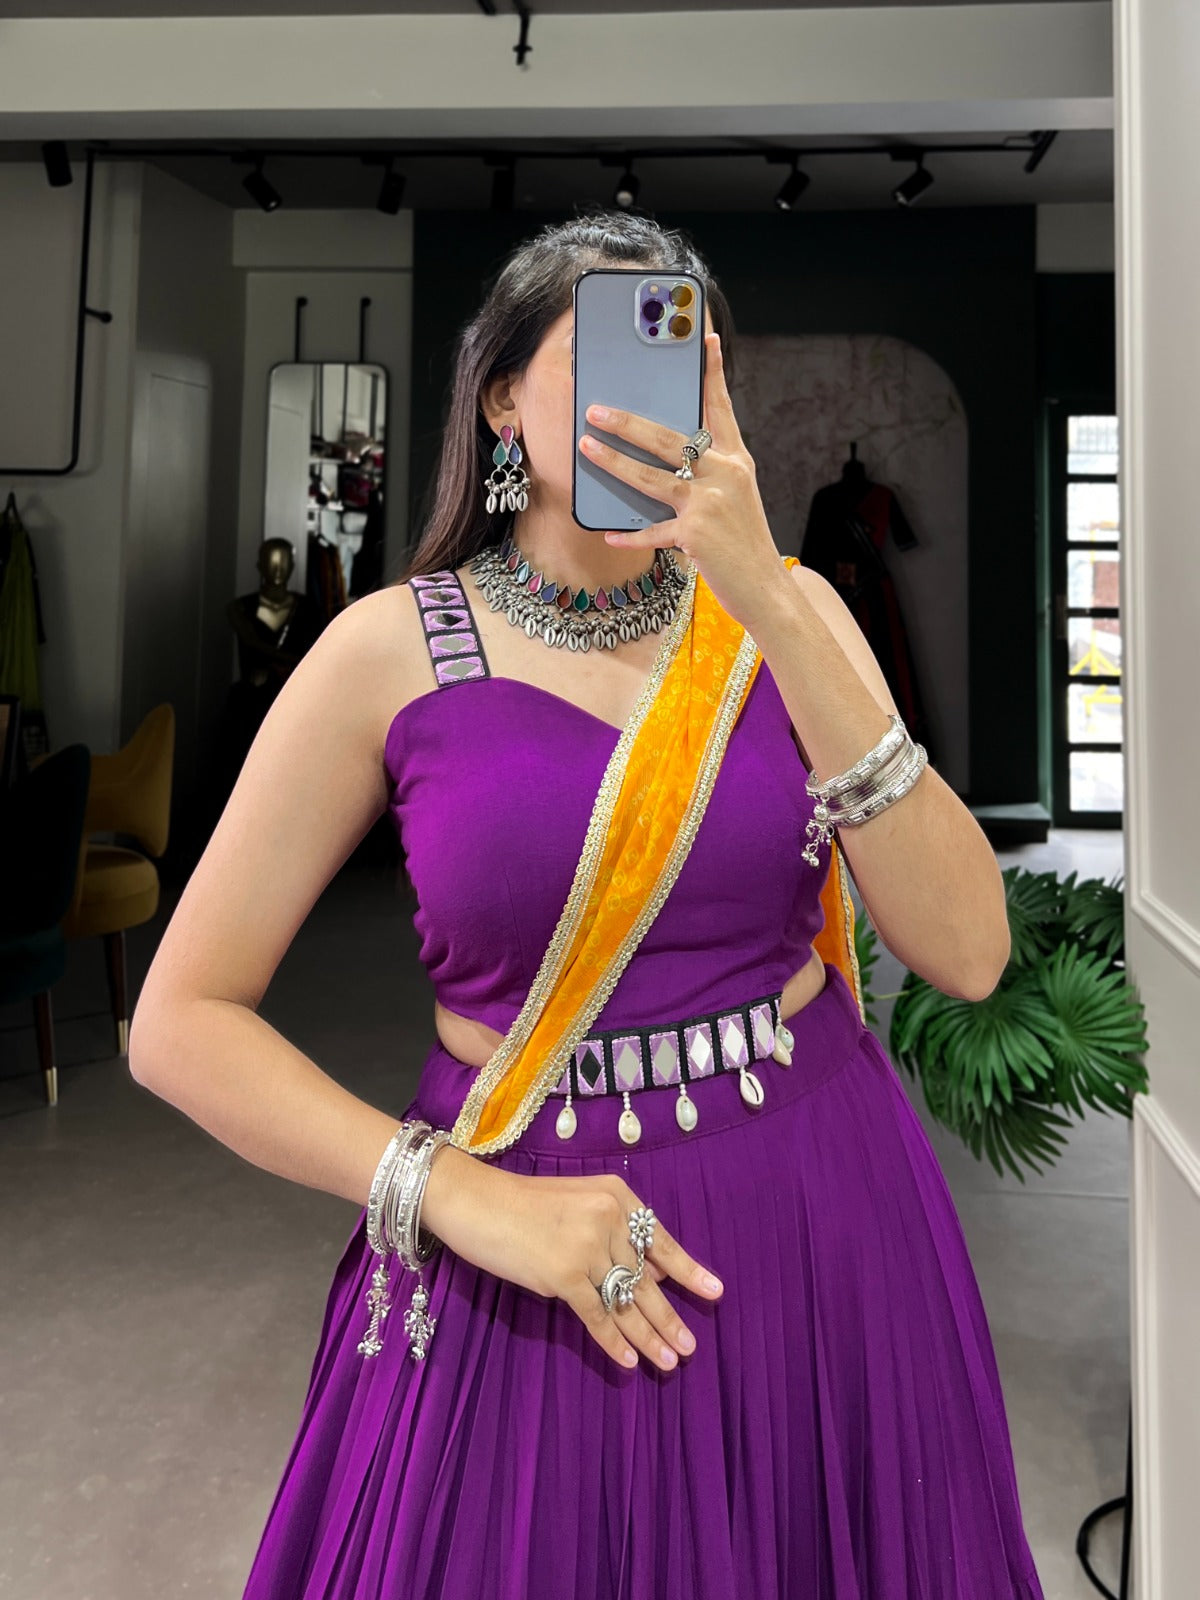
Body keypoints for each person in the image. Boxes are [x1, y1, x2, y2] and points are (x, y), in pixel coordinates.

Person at [129, 212, 1045, 1599]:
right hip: (518, 1230)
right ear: (501, 398)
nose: (644, 402)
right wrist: (455, 1198)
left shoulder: (789, 615)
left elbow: (970, 951)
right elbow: (179, 1021)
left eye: (682, 366)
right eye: (604, 356)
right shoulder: (390, 650)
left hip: (822, 1207)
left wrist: (769, 596)